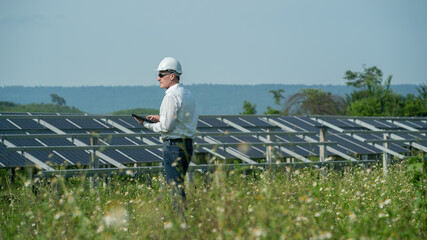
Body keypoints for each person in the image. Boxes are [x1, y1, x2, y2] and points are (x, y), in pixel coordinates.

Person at [133, 57, 198, 215]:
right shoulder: (188, 94)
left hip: (174, 147)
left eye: (161, 74)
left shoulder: (170, 97)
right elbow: (182, 120)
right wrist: (161, 117)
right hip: (187, 145)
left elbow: (167, 127)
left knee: (175, 187)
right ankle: (183, 219)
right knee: (180, 185)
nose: (158, 78)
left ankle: (180, 224)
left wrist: (145, 124)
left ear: (172, 75)